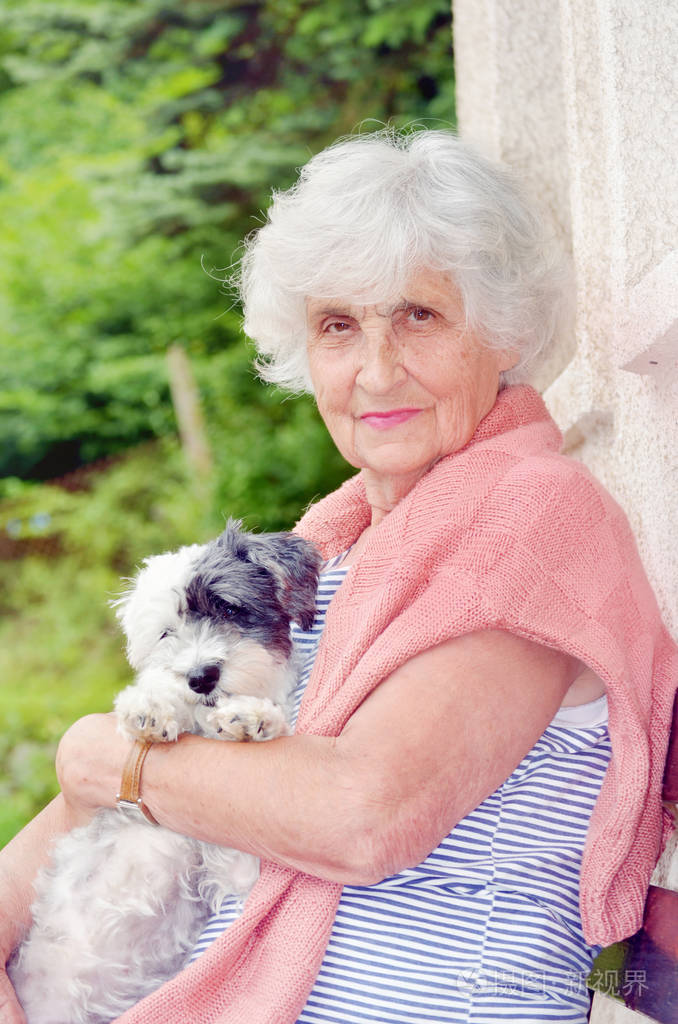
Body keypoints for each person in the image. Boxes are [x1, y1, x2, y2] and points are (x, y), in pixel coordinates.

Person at [1, 128, 676, 1024]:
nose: (375, 369)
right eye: (337, 326)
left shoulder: (536, 518)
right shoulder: (328, 552)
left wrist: (111, 760)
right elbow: (87, 829)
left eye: (419, 317)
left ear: (502, 332)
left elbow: (364, 818)